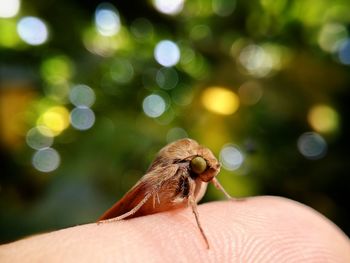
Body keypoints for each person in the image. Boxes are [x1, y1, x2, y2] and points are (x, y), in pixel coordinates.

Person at [0, 196, 349, 262]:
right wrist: (129, 212)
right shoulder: (175, 172)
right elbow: (152, 188)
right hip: (131, 217)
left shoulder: (197, 172)